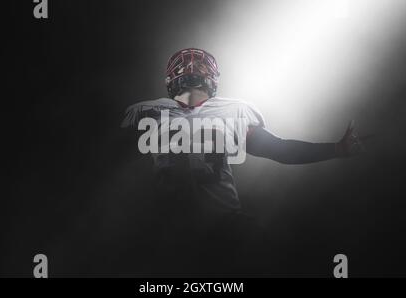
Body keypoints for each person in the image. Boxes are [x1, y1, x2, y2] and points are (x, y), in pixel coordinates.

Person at [120, 48, 364, 274]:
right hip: (172, 229)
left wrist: (337, 148)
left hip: (221, 226)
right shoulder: (147, 112)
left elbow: (279, 149)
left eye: (198, 65)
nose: (192, 66)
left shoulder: (225, 111)